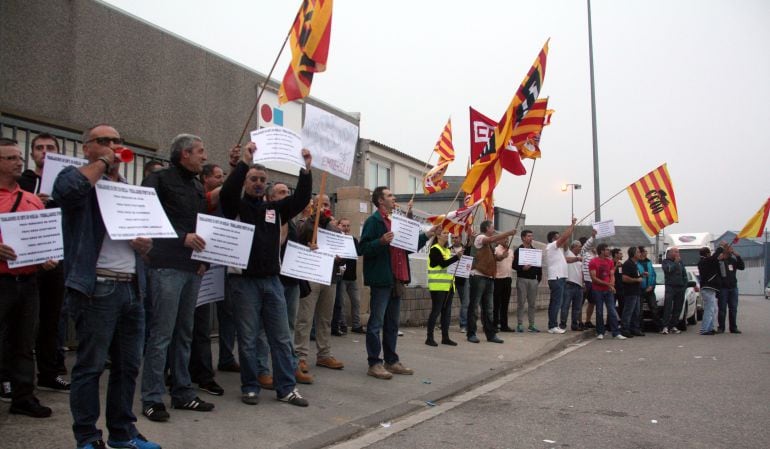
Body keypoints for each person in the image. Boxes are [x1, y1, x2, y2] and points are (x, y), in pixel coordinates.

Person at [52, 125, 160, 449]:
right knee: (90, 366)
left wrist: (146, 245)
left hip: (131, 288)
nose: (113, 146)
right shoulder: (77, 179)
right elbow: (66, 193)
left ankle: (123, 434)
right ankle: (87, 436)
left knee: (128, 367)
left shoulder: (128, 189)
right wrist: (102, 164)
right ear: (86, 148)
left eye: (117, 141)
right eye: (103, 141)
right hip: (96, 286)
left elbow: (146, 237)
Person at [219, 142, 311, 406]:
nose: (258, 183)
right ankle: (250, 386)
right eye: (253, 179)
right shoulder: (236, 207)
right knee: (247, 339)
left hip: (272, 283)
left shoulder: (275, 209)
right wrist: (244, 163)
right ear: (245, 181)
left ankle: (286, 388)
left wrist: (305, 170)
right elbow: (227, 193)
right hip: (243, 283)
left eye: (262, 180)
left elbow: (301, 200)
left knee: (281, 338)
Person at [141, 134, 213, 422]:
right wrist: (182, 238)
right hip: (166, 268)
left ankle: (182, 392)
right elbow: (147, 217)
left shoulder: (197, 186)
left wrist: (203, 260)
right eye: (200, 151)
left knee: (184, 333)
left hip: (191, 269)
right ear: (184, 153)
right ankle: (152, 397)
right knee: (161, 335)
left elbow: (202, 227)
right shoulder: (158, 180)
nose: (204, 157)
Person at [0, 137, 53, 419]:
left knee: (24, 342)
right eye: (10, 158)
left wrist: (48, 256)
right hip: (2, 280)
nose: (18, 162)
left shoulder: (32, 199)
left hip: (28, 281)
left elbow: (42, 237)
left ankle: (23, 396)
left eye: (19, 157)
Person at [360, 186, 434, 379]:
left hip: (398, 278)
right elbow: (363, 248)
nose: (394, 198)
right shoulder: (373, 221)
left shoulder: (396, 222)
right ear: (380, 201)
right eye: (390, 195)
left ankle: (391, 361)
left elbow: (408, 247)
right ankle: (374, 363)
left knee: (392, 323)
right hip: (382, 279)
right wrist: (380, 242)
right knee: (376, 322)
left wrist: (428, 234)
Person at [17, 133, 70, 392]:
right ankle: (12, 378)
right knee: (21, 323)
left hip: (56, 258)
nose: (45, 152)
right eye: (40, 148)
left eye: (50, 148)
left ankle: (50, 372)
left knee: (52, 318)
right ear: (32, 154)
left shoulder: (66, 184)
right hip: (26, 261)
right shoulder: (23, 182)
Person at [187, 164, 228, 396]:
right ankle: (176, 371)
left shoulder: (218, 203)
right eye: (217, 176)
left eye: (223, 177)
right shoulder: (199, 198)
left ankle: (202, 373)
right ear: (204, 179)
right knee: (180, 327)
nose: (221, 180)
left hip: (207, 267)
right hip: (186, 266)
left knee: (201, 326)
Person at [294, 194, 346, 376]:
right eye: (320, 204)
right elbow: (299, 238)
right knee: (304, 318)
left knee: (325, 319)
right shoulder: (304, 223)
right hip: (310, 275)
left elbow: (341, 251)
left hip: (329, 277)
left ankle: (324, 354)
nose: (324, 207)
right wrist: (313, 220)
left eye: (326, 204)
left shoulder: (333, 228)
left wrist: (340, 259)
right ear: (313, 206)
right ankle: (300, 356)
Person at [467, 220, 516, 344]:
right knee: (474, 307)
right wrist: (507, 233)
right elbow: (489, 240)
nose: (493, 229)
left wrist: (501, 257)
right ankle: (471, 333)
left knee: (488, 308)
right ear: (487, 228)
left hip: (488, 277)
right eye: (492, 227)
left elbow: (494, 258)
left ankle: (490, 333)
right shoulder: (480, 238)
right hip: (478, 276)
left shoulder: (490, 245)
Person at [425, 230, 460, 346]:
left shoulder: (446, 250)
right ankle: (429, 338)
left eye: (447, 234)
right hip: (438, 286)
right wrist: (456, 258)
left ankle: (445, 337)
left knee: (446, 313)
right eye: (444, 233)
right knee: (436, 311)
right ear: (438, 235)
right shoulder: (435, 249)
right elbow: (443, 264)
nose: (447, 235)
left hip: (449, 286)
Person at [544, 218, 577, 334]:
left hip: (560, 278)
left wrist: (577, 258)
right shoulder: (552, 246)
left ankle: (553, 325)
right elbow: (565, 237)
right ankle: (553, 326)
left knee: (556, 302)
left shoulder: (558, 250)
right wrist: (572, 225)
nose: (561, 239)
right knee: (556, 302)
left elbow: (566, 260)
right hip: (556, 278)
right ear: (553, 239)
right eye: (558, 237)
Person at [332, 217, 364, 335]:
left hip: (352, 276)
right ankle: (342, 325)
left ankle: (356, 325)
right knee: (341, 303)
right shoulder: (336, 239)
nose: (346, 228)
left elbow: (359, 252)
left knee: (356, 301)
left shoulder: (353, 240)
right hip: (341, 277)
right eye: (343, 226)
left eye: (348, 226)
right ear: (338, 226)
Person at [588, 243, 626, 340]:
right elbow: (593, 278)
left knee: (612, 311)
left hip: (608, 290)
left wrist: (611, 285)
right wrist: (608, 284)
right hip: (597, 290)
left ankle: (616, 332)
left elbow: (612, 274)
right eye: (607, 250)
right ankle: (600, 332)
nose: (608, 251)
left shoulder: (609, 262)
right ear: (601, 251)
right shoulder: (593, 262)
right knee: (599, 311)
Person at [513, 229, 542, 333]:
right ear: (523, 238)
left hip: (533, 280)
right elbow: (514, 265)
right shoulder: (518, 251)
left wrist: (538, 279)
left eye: (531, 236)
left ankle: (531, 324)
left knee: (532, 304)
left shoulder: (535, 251)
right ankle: (520, 324)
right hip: (522, 279)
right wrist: (522, 268)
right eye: (529, 236)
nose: (531, 238)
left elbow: (539, 266)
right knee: (521, 303)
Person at [717, 244, 744, 334]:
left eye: (731, 248)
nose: (731, 249)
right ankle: (721, 327)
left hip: (733, 287)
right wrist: (719, 259)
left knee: (733, 308)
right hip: (723, 288)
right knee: (722, 309)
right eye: (729, 248)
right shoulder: (720, 260)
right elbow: (714, 268)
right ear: (724, 250)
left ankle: (733, 327)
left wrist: (738, 256)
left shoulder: (733, 260)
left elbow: (742, 267)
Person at [697, 245, 724, 335]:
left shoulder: (704, 261)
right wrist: (721, 247)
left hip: (710, 288)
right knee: (709, 309)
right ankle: (704, 329)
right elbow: (715, 256)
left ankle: (710, 327)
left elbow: (715, 259)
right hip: (708, 287)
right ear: (708, 254)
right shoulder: (705, 261)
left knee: (714, 309)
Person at [620, 246, 645, 337]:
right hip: (630, 292)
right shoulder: (628, 264)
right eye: (638, 252)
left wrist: (642, 275)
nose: (640, 254)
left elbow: (635, 275)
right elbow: (624, 278)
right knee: (628, 311)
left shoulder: (635, 264)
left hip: (636, 292)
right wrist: (636, 280)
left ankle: (635, 328)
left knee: (636, 312)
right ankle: (625, 329)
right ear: (633, 254)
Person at [660, 247, 686, 335]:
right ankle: (665, 326)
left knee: (678, 307)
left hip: (680, 287)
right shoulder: (665, 262)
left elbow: (684, 274)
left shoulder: (681, 262)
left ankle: (673, 326)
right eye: (676, 252)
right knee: (668, 307)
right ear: (670, 253)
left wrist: (684, 285)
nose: (678, 253)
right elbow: (668, 270)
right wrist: (675, 263)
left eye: (678, 252)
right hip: (670, 287)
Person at [454, 229, 475, 333]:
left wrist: (471, 238)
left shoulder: (465, 248)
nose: (454, 239)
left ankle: (463, 325)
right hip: (451, 280)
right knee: (446, 302)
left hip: (463, 279)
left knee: (465, 302)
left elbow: (470, 245)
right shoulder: (448, 249)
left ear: (461, 238)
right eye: (453, 237)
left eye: (456, 237)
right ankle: (442, 323)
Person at [637, 247, 661, 331]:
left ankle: (657, 327)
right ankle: (640, 328)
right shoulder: (636, 263)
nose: (646, 253)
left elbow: (653, 275)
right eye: (645, 251)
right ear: (641, 252)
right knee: (639, 310)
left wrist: (652, 285)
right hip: (640, 289)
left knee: (654, 308)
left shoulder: (649, 262)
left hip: (650, 289)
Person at [492, 239, 514, 332]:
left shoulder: (511, 251)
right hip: (498, 279)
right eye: (504, 239)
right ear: (499, 240)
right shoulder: (496, 250)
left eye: (508, 239)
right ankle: (494, 324)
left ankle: (504, 325)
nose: (506, 240)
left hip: (508, 279)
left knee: (505, 303)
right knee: (496, 303)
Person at [561, 240, 584, 331]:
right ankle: (562, 324)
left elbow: (580, 272)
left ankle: (575, 324)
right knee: (565, 306)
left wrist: (583, 283)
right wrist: (570, 230)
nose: (581, 248)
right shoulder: (567, 253)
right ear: (574, 246)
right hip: (569, 284)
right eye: (579, 246)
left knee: (577, 307)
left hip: (579, 286)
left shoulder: (579, 257)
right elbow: (565, 243)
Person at [579, 230, 598, 328]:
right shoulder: (582, 252)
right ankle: (579, 322)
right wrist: (593, 236)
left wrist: (596, 254)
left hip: (592, 281)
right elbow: (586, 246)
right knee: (580, 303)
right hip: (585, 280)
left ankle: (588, 321)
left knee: (592, 302)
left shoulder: (592, 254)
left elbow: (598, 263)